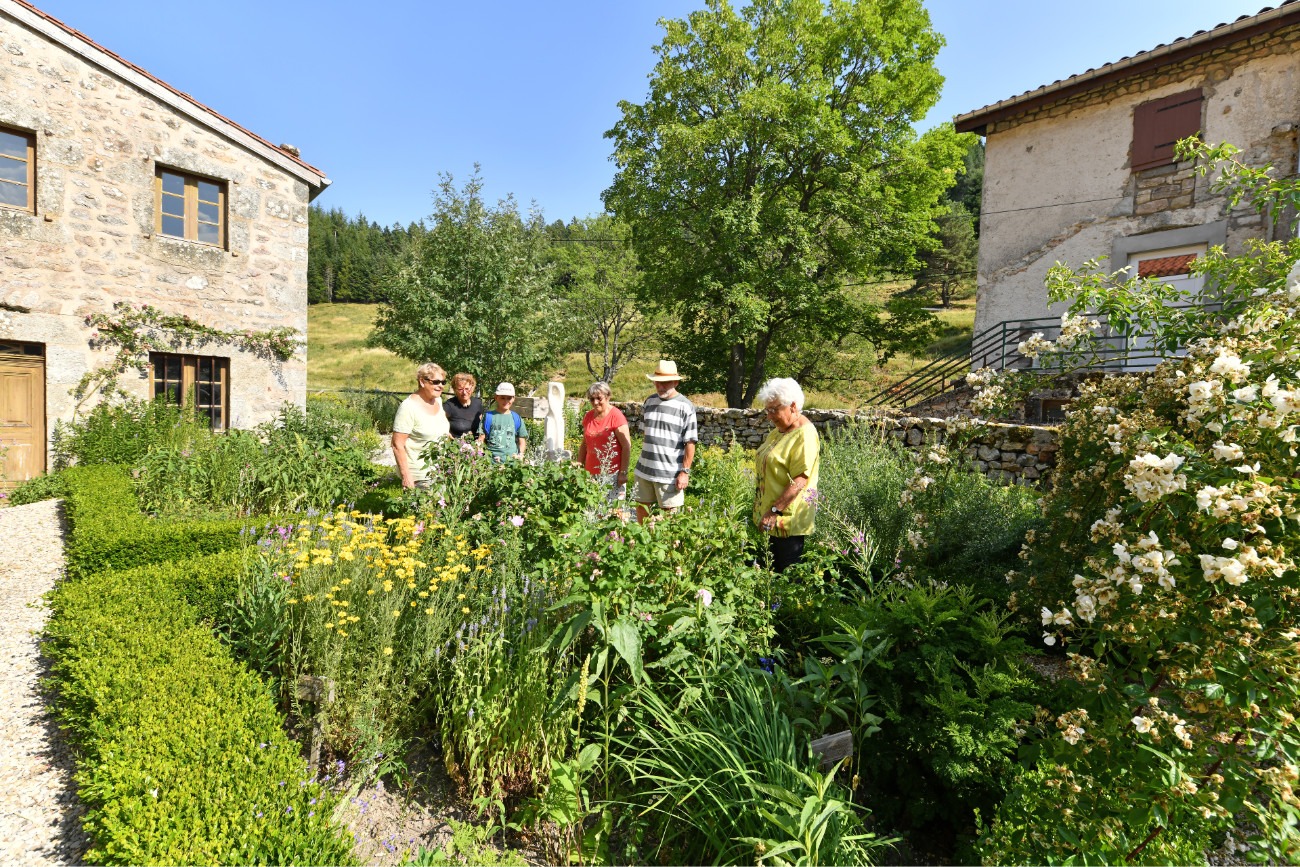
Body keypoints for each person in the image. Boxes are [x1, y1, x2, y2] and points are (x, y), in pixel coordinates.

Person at [752, 377, 821, 572]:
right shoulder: (780, 431)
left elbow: (800, 480)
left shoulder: (804, 435)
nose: (770, 416)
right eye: (767, 410)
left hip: (786, 521)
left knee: (787, 578)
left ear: (792, 406)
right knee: (770, 574)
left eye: (774, 409)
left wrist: (774, 511)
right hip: (771, 518)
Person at [632, 360, 697, 522]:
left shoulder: (685, 406)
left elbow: (690, 443)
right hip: (644, 470)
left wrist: (685, 472)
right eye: (658, 383)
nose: (660, 387)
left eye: (665, 383)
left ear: (676, 382)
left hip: (669, 474)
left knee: (670, 519)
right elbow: (645, 433)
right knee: (641, 512)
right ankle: (642, 546)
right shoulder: (649, 402)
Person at [392, 363, 451, 489]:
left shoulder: (438, 401)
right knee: (426, 509)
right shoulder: (408, 407)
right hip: (419, 476)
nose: (440, 386)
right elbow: (397, 445)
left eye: (443, 382)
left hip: (439, 470)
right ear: (422, 382)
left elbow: (439, 427)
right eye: (436, 382)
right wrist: (406, 476)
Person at [575, 381, 631, 502]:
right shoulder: (588, 416)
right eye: (591, 399)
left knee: (612, 513)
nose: (595, 402)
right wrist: (579, 463)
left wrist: (623, 472)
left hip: (612, 474)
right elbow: (585, 443)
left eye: (599, 398)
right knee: (592, 511)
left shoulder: (616, 416)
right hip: (590, 473)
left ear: (608, 396)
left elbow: (626, 446)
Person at [479, 382, 528, 462]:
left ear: (513, 398)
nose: (506, 401)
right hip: (491, 463)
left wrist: (520, 455)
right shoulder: (488, 416)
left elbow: (522, 440)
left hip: (511, 463)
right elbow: (481, 438)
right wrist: (481, 458)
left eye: (509, 398)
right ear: (496, 397)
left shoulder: (516, 418)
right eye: (502, 398)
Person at [444, 372, 484, 440]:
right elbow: (438, 423)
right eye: (460, 389)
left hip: (476, 447)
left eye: (467, 389)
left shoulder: (477, 403)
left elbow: (482, 426)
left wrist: (480, 440)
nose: (464, 392)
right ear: (455, 390)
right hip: (456, 447)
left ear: (472, 388)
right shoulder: (449, 405)